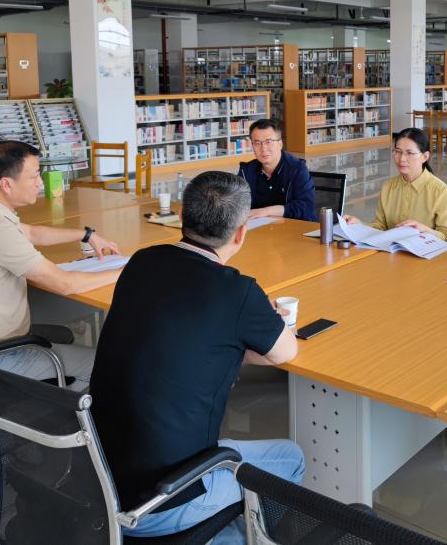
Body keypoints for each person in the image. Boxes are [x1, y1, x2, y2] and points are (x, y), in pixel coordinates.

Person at [90, 171, 303, 542]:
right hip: (161, 501)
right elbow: (285, 352)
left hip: (94, 475)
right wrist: (247, 327)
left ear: (181, 218)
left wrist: (222, 338)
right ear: (241, 233)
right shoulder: (237, 291)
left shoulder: (142, 261)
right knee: (290, 458)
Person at [0, 140, 122, 391]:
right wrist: (123, 272)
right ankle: (61, 413)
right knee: (105, 366)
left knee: (66, 341)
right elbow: (65, 284)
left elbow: (32, 233)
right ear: (6, 184)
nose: (40, 183)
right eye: (34, 176)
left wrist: (86, 235)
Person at [343, 128, 447, 243]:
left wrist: (425, 230)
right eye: (398, 151)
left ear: (425, 157)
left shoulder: (441, 191)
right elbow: (380, 227)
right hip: (390, 250)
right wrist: (359, 225)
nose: (402, 158)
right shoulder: (388, 186)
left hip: (425, 252)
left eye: (409, 153)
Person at [238, 118, 317, 221]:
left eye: (268, 142)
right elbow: (236, 204)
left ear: (280, 144)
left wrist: (266, 211)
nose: (263, 148)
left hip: (295, 227)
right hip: (258, 227)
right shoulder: (246, 171)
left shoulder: (297, 169)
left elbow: (305, 207)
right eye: (257, 143)